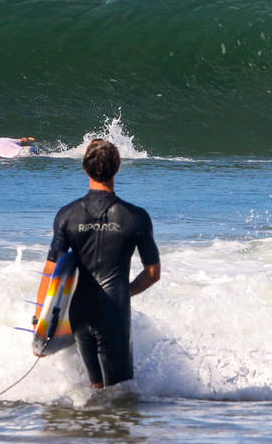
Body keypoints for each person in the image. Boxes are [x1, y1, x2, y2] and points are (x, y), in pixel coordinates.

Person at [36, 139, 161, 388]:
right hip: (114, 309)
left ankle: (93, 426)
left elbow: (51, 273)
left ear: (84, 168)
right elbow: (153, 273)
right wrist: (125, 291)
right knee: (121, 392)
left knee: (97, 388)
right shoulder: (135, 216)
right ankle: (115, 426)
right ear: (117, 168)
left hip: (79, 311)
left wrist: (40, 325)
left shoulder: (67, 215)